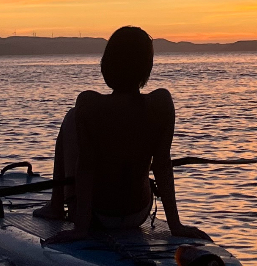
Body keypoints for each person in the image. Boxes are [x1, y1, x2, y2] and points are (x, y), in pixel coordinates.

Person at [34, 26, 208, 243]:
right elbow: (163, 165)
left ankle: (56, 205)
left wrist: (81, 228)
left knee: (71, 117)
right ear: (147, 68)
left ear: (107, 64)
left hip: (97, 215)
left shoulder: (89, 105)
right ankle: (59, 206)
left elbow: (85, 167)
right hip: (138, 213)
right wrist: (175, 225)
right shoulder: (161, 104)